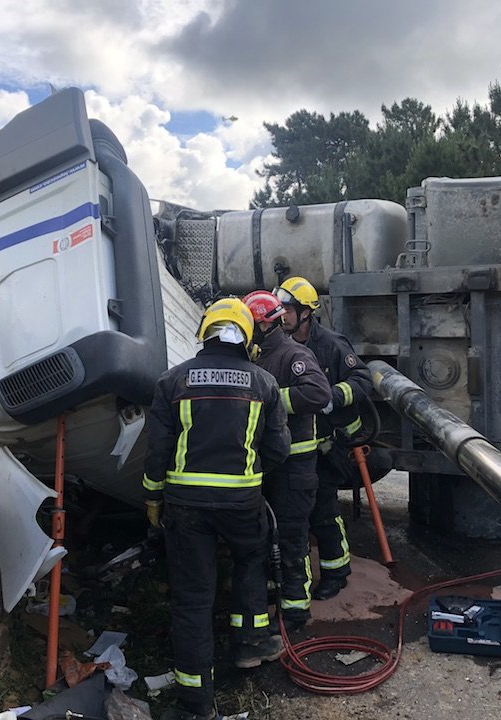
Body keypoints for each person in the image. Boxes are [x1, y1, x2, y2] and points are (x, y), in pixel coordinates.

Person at [143, 297, 292, 720]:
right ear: (246, 336)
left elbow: (157, 451)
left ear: (204, 331)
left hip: (185, 508)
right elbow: (279, 449)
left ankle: (196, 701)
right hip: (243, 503)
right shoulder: (264, 383)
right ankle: (250, 646)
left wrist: (153, 497)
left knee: (192, 599)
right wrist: (250, 471)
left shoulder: (172, 382)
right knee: (250, 564)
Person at [274, 276, 373, 600]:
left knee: (323, 511)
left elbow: (362, 379)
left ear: (306, 312)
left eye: (287, 310)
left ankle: (336, 572)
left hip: (330, 444)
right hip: (297, 445)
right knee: (295, 515)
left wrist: (333, 396)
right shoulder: (280, 343)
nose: (282, 316)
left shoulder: (331, 344)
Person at [243, 290, 330, 631]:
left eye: (250, 324)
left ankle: (295, 610)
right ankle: (274, 592)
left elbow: (318, 393)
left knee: (293, 538)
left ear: (265, 325)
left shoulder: (294, 354)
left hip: (295, 467)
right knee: (266, 535)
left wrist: (271, 399)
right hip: (267, 465)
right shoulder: (256, 357)